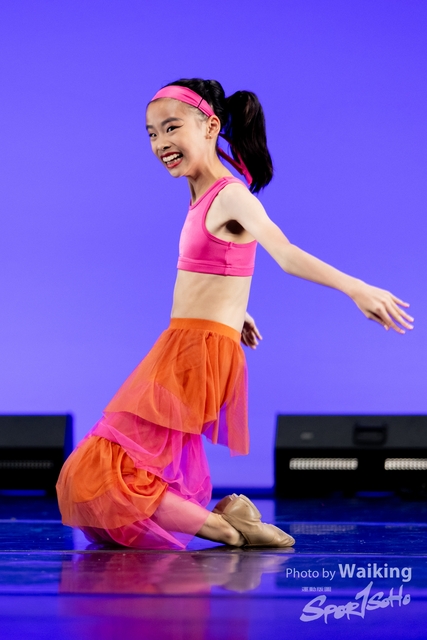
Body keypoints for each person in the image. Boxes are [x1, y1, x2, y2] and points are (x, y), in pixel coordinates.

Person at [56, 78, 414, 551]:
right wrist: (235, 309)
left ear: (210, 127)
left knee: (94, 471)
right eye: (151, 134)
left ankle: (226, 528)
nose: (160, 143)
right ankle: (231, 519)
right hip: (192, 342)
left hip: (192, 351)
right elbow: (219, 261)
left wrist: (356, 288)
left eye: (171, 128)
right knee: (115, 475)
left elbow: (284, 253)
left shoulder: (230, 194)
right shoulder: (202, 193)